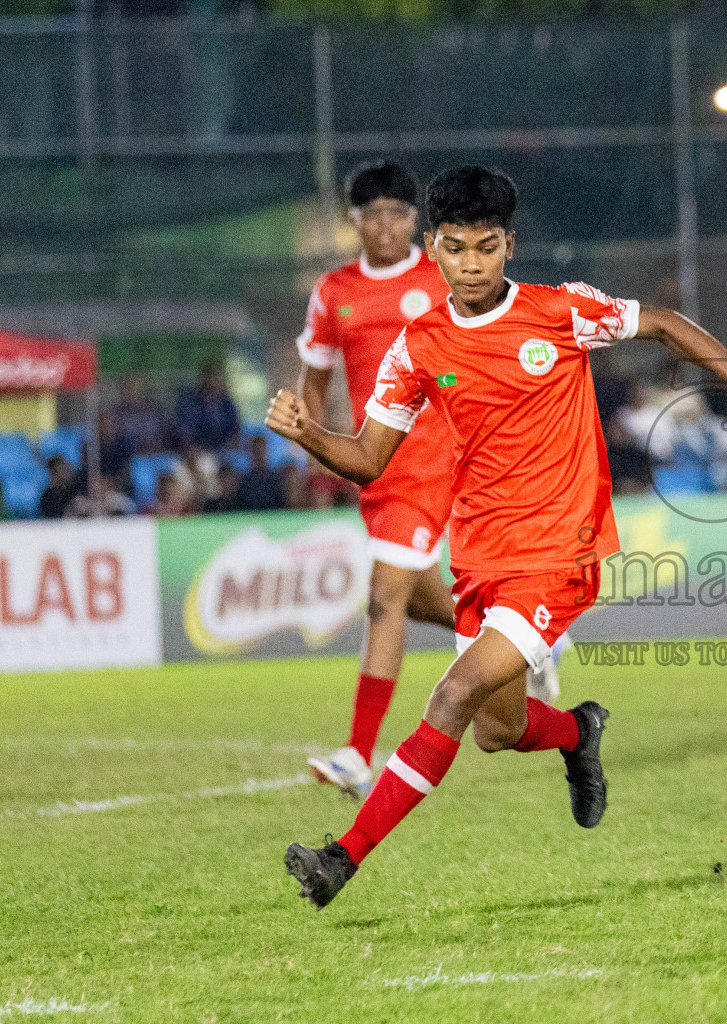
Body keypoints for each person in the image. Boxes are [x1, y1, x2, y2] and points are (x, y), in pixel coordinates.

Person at [270, 165, 727, 909]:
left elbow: (669, 326)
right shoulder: (418, 349)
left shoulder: (561, 312)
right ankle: (578, 732)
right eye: (455, 249)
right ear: (434, 248)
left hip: (560, 553)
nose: (472, 263)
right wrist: (309, 434)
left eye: (486, 247)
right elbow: (366, 458)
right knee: (496, 729)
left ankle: (340, 859)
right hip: (480, 557)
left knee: (451, 695)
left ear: (509, 245)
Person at [292, 161, 485, 798]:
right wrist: (310, 440)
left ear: (416, 221)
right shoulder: (333, 291)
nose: (387, 225)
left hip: (437, 460)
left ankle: (357, 751)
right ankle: (512, 637)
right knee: (426, 601)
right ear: (355, 220)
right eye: (373, 213)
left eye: (399, 214)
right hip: (376, 467)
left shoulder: (440, 281)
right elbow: (315, 379)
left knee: (384, 596)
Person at [175, 359, 241, 452]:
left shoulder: (227, 404)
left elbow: (235, 430)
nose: (214, 381)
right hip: (198, 453)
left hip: (224, 452)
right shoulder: (191, 402)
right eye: (211, 377)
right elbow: (186, 432)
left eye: (217, 377)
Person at [68, 473, 137, 518]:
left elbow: (132, 515)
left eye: (102, 483)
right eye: (95, 484)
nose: (98, 487)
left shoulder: (120, 501)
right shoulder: (81, 503)